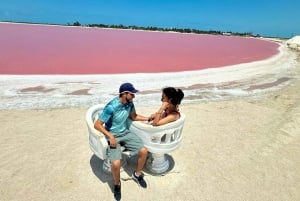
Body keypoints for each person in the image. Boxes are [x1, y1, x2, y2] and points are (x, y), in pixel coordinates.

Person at [94, 83, 149, 201]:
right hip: (113, 136)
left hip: (125, 133)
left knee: (144, 151)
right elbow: (97, 124)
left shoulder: (130, 103)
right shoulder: (111, 107)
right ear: (124, 94)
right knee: (115, 164)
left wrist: (148, 118)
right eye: (132, 94)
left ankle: (137, 174)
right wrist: (110, 136)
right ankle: (117, 184)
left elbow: (133, 116)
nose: (134, 96)